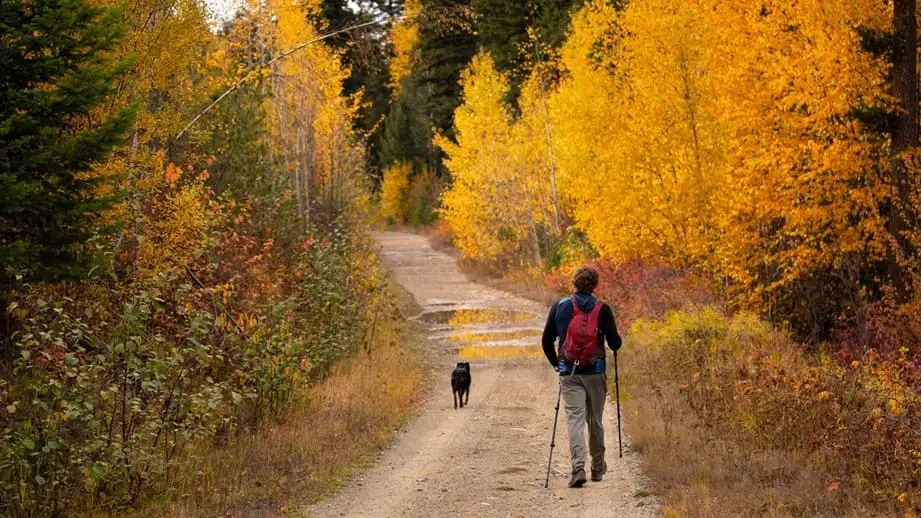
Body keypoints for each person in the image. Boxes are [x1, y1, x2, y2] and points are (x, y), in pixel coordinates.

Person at [541, 265, 622, 488]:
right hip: (595, 372)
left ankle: (578, 469)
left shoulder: (560, 306)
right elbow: (616, 343)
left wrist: (557, 365)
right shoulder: (602, 309)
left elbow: (546, 340)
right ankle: (597, 468)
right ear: (594, 285)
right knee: (594, 420)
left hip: (569, 372)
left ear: (574, 283)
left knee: (575, 420)